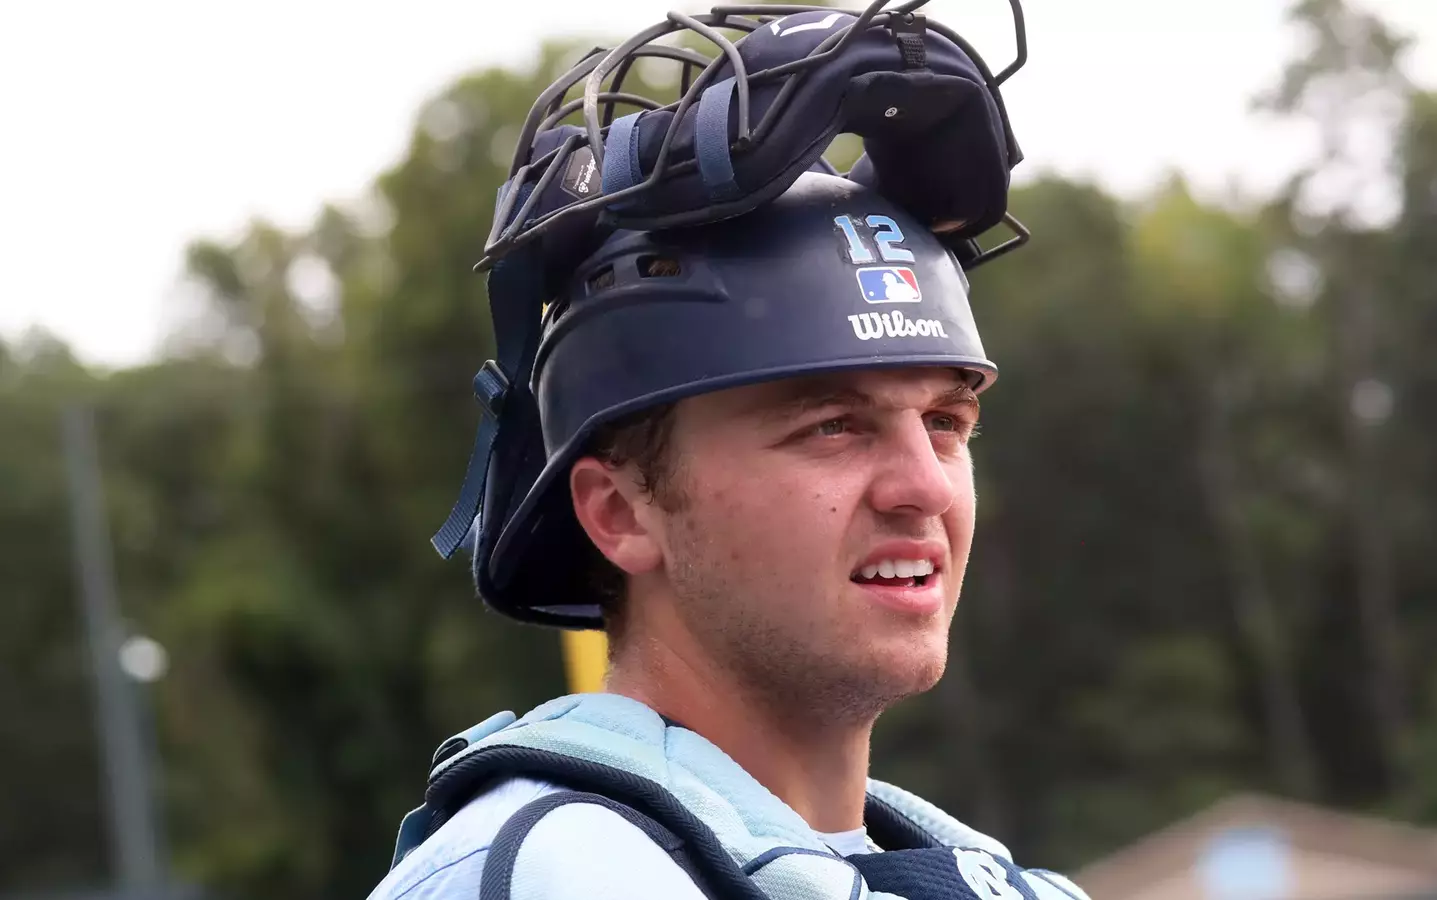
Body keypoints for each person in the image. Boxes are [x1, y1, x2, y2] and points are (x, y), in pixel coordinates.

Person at [368, 4, 1090, 899]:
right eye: (833, 426)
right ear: (620, 511)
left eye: (946, 423)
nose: (921, 487)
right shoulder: (544, 876)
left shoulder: (1007, 886)